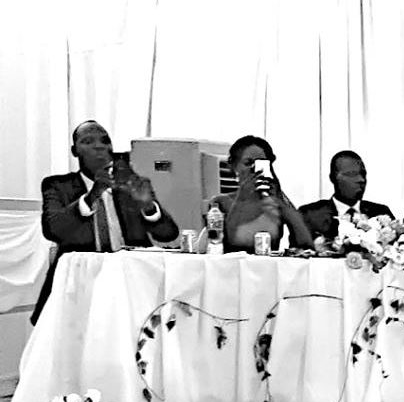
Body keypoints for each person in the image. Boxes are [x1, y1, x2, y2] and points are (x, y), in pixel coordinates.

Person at [34, 121, 179, 323]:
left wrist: (148, 207)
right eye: (87, 141)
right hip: (79, 290)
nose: (99, 146)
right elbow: (54, 229)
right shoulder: (57, 185)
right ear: (74, 151)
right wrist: (92, 195)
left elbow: (168, 234)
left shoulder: (131, 185)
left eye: (105, 141)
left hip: (130, 287)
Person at [207, 135, 314, 253]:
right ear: (234, 166)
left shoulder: (275, 201)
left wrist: (282, 204)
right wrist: (241, 200)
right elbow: (224, 243)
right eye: (248, 163)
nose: (253, 169)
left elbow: (306, 244)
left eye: (260, 163)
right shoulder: (221, 202)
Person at [298, 150, 395, 246]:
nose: (361, 180)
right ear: (333, 178)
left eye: (363, 174)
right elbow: (295, 258)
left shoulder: (380, 213)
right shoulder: (309, 215)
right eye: (351, 174)